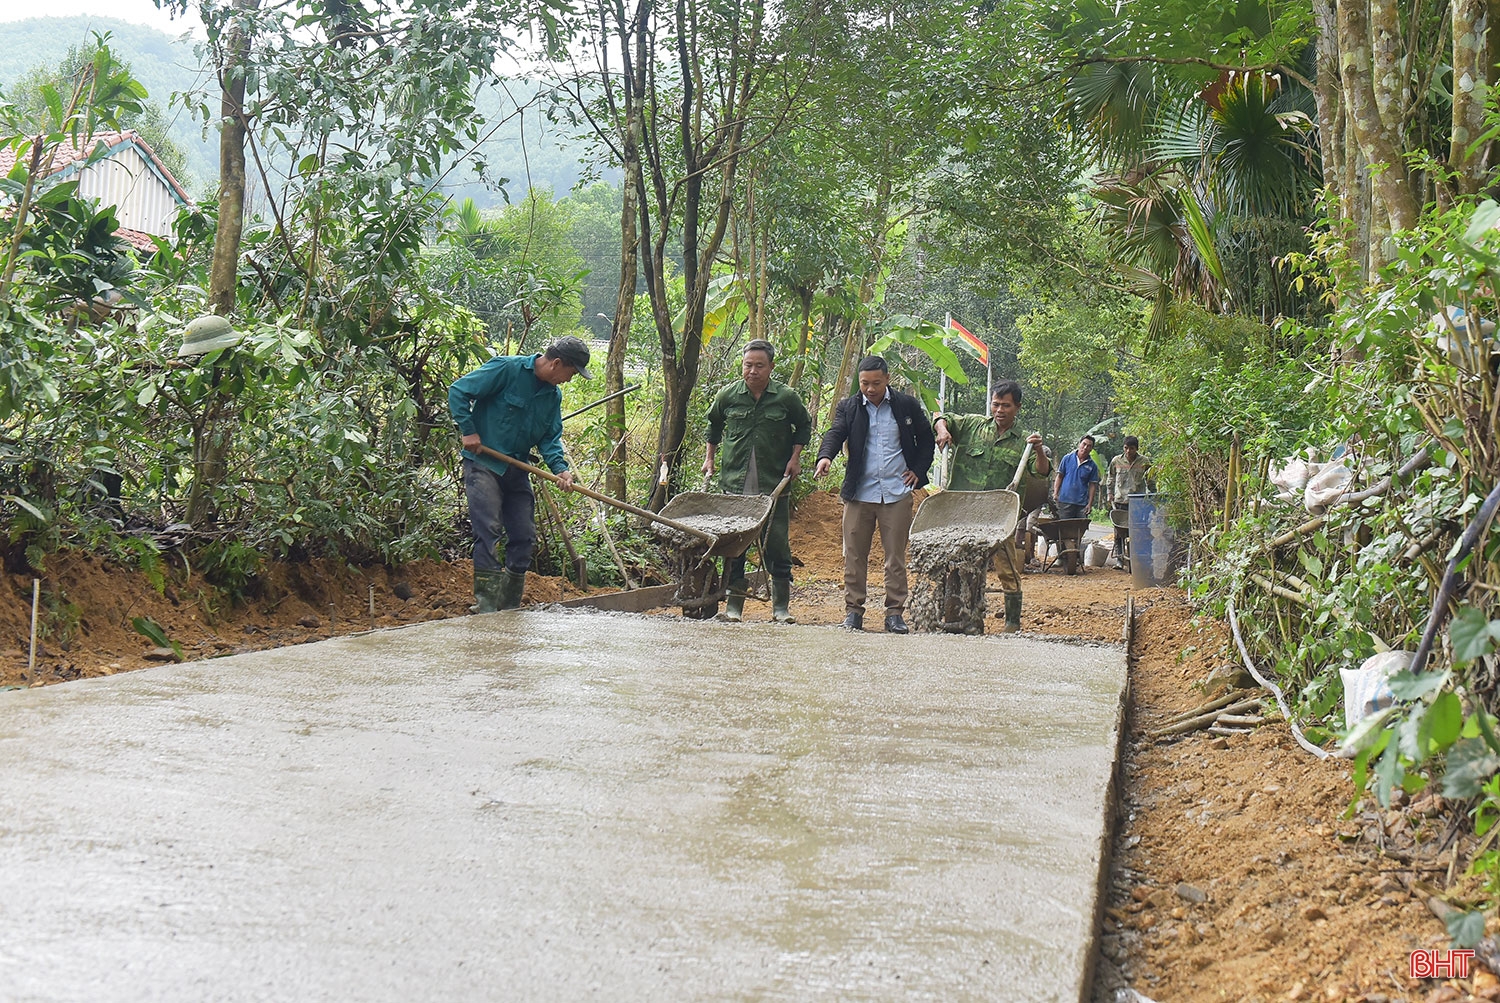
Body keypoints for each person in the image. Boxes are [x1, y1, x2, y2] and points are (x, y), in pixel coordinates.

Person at [449, 336, 592, 612]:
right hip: (484, 465)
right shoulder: (506, 369)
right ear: (557, 364)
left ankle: (508, 605)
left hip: (516, 469)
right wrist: (468, 430)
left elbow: (550, 438)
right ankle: (487, 606)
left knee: (524, 537)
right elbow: (459, 391)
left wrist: (561, 470)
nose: (570, 380)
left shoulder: (552, 396)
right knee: (489, 529)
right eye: (571, 373)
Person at [814, 356, 936, 634]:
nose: (870, 389)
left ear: (887, 379)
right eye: (865, 383)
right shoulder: (850, 406)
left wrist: (918, 469)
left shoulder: (906, 405)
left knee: (895, 556)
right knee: (854, 555)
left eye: (876, 383)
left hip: (896, 491)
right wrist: (825, 457)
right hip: (860, 493)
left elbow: (925, 438)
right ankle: (853, 612)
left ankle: (894, 613)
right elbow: (836, 432)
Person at [703, 339, 812, 623]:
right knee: (734, 545)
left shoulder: (785, 397)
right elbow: (713, 424)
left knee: (776, 545)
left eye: (759, 366)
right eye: (748, 365)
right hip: (734, 487)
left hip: (774, 486)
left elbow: (803, 425)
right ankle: (734, 607)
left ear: (771, 367)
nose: (752, 371)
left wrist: (795, 457)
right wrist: (710, 458)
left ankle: (781, 608)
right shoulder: (728, 395)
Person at [933, 381, 1050, 632]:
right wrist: (942, 430)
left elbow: (1040, 473)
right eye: (995, 404)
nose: (999, 410)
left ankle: (1012, 623)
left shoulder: (1024, 442)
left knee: (1007, 567)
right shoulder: (972, 426)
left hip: (999, 515)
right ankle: (956, 617)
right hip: (963, 510)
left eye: (1006, 405)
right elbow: (942, 418)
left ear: (1017, 407)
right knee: (957, 565)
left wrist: (1039, 451)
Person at [1108, 435, 1150, 568]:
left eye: (1131, 448)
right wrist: (1109, 493)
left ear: (1136, 449)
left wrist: (1152, 496)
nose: (1128, 451)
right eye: (1126, 448)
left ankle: (1135, 558)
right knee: (1119, 532)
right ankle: (1120, 559)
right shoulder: (1116, 461)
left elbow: (1150, 480)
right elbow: (1111, 478)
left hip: (1137, 502)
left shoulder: (1144, 461)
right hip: (1121, 501)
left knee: (1136, 531)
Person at [1053, 434, 1101, 520]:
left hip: (1081, 504)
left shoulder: (1092, 465)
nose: (1085, 447)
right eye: (1084, 444)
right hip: (1065, 501)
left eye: (1089, 446)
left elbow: (1092, 485)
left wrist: (1089, 504)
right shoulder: (1067, 458)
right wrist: (1056, 493)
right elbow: (1059, 476)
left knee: (1079, 529)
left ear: (1091, 449)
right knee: (1064, 528)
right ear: (1079, 444)